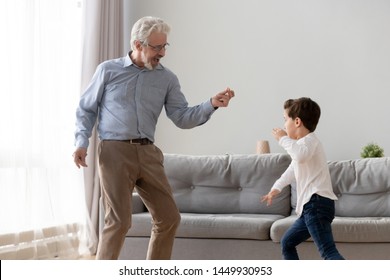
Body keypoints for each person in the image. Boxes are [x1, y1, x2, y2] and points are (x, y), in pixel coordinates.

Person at [73, 16, 234, 260]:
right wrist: (81, 142)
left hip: (148, 153)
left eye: (164, 46)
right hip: (115, 152)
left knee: (169, 217)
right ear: (138, 45)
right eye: (156, 47)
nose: (162, 53)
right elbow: (87, 109)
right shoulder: (108, 70)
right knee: (118, 221)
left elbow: (182, 117)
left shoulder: (167, 79)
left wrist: (211, 105)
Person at [261, 97, 344, 260]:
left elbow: (299, 156)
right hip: (310, 208)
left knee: (328, 251)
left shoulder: (310, 141)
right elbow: (291, 170)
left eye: (285, 120)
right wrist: (275, 189)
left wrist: (283, 138)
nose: (284, 125)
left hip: (317, 205)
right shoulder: (302, 146)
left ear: (297, 121)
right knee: (287, 242)